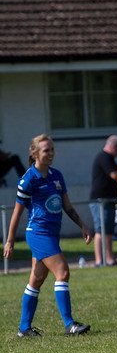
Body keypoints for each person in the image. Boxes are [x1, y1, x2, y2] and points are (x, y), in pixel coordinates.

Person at [3, 134, 92, 337]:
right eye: (46, 150)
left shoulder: (56, 175)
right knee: (63, 272)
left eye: (52, 149)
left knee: (36, 279)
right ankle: (69, 324)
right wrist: (9, 241)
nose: (51, 153)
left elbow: (67, 206)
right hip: (38, 234)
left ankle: (24, 329)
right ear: (35, 154)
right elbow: (17, 213)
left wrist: (82, 225)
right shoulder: (28, 180)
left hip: (52, 233)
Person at [89, 135, 117, 267]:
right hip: (100, 200)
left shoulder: (108, 158)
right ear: (114, 147)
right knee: (100, 229)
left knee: (108, 230)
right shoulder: (104, 157)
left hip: (108, 200)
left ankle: (109, 258)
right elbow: (114, 175)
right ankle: (100, 260)